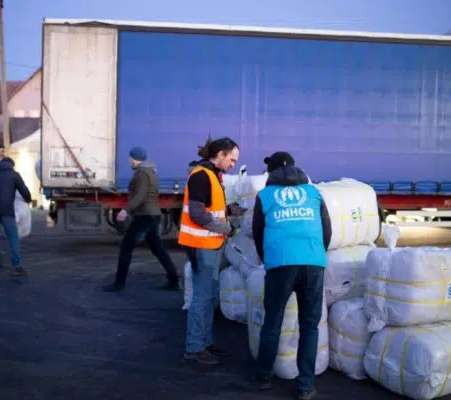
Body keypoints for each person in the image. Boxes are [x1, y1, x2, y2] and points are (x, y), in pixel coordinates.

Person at [249, 151, 332, 400]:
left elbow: (258, 233)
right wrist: (317, 254)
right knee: (309, 326)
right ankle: (305, 385)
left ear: (271, 172)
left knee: (272, 322)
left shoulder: (264, 196)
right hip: (313, 263)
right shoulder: (314, 193)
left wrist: (268, 258)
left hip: (280, 265)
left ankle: (264, 377)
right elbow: (326, 229)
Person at [179, 137, 245, 365]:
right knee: (201, 297)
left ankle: (205, 342)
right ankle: (195, 347)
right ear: (220, 155)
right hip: (202, 246)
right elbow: (197, 214)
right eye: (232, 159)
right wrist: (228, 227)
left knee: (209, 296)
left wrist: (229, 210)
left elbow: (210, 208)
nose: (233, 164)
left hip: (212, 245)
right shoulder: (201, 176)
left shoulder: (212, 176)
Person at [103, 146, 180, 292]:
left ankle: (119, 284)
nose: (129, 161)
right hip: (152, 215)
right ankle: (173, 280)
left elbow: (140, 195)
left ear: (135, 159)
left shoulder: (142, 173)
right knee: (158, 249)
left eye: (130, 158)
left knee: (126, 247)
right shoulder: (150, 171)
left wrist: (126, 210)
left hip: (145, 216)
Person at [0, 157, 32, 276]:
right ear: (11, 165)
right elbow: (24, 190)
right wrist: (28, 199)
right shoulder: (14, 175)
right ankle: (17, 266)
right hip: (6, 210)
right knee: (13, 236)